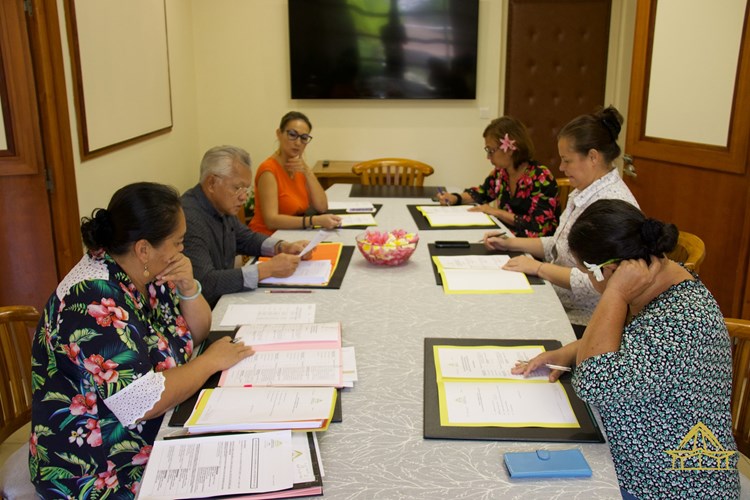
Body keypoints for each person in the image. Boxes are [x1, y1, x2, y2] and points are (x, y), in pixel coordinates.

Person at [29, 182, 257, 498]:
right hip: (98, 467)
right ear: (144, 248)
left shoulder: (144, 271)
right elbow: (141, 401)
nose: (182, 250)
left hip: (150, 430)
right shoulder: (93, 298)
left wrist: (189, 286)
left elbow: (196, 332)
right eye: (178, 242)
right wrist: (210, 362)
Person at [513, 199, 739, 499]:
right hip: (655, 462)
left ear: (613, 270)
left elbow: (594, 384)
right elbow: (634, 341)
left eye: (587, 273)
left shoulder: (680, 319)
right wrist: (570, 351)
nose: (591, 284)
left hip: (669, 484)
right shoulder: (666, 284)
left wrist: (615, 292)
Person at [483, 106, 638, 327]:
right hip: (560, 300)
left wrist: (538, 268)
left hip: (586, 319)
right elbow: (558, 245)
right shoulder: (584, 190)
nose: (562, 167)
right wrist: (510, 243)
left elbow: (600, 282)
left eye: (567, 160)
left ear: (592, 157)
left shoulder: (612, 205)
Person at [182, 145, 309, 307]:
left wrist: (283, 246)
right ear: (212, 183)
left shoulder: (221, 205)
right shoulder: (189, 219)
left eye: (246, 189)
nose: (243, 197)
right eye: (237, 188)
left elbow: (246, 238)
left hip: (225, 299)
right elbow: (205, 283)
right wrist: (267, 269)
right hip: (206, 311)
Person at [436, 116, 559, 237]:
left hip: (532, 249)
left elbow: (541, 227)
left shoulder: (541, 177)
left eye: (491, 151)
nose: (488, 157)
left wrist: (497, 212)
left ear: (510, 149)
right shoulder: (501, 173)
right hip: (505, 238)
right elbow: (482, 194)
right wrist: (454, 198)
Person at [250, 111, 341, 235]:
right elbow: (271, 221)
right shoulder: (268, 170)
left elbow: (322, 207)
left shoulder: (299, 167)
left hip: (293, 234)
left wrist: (308, 172)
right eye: (292, 135)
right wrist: (314, 221)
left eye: (304, 138)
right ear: (279, 134)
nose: (298, 143)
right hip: (267, 239)